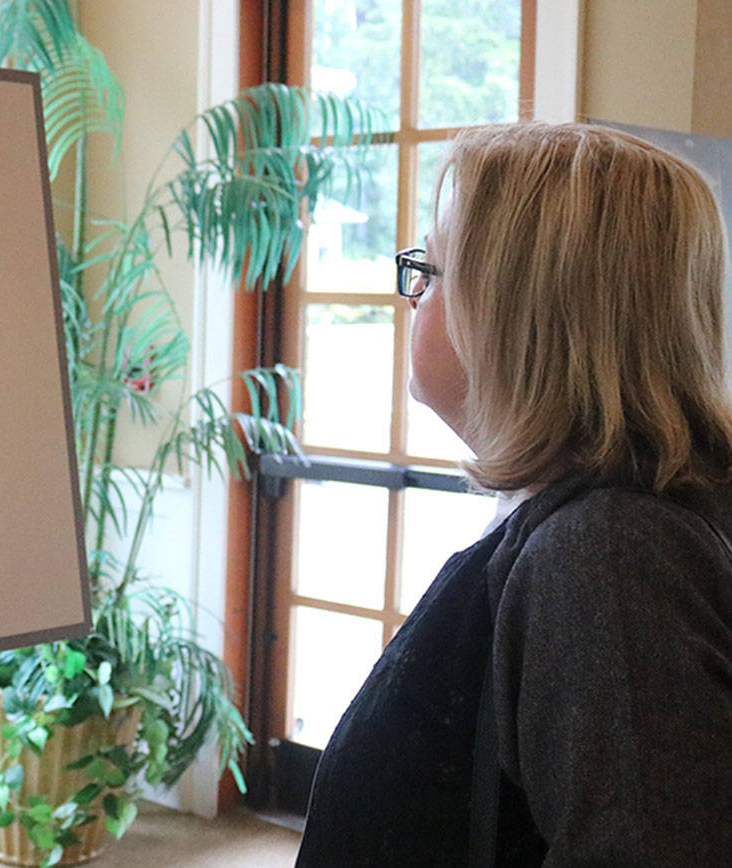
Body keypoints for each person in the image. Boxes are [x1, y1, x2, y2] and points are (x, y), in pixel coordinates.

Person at [294, 122, 732, 866]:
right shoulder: (589, 526)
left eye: (429, 272)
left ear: (515, 310)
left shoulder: (609, 555)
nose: (413, 298)